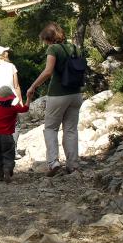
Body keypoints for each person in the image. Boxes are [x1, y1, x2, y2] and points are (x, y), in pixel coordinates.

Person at [26, 22, 83, 177]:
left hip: (58, 94)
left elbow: (48, 71)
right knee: (71, 130)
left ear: (48, 38)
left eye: (45, 40)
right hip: (76, 94)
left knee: (50, 128)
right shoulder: (74, 48)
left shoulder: (53, 49)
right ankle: (73, 165)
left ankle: (53, 162)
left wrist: (33, 86)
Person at [0, 46, 24, 158]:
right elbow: (16, 85)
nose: (8, 52)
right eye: (6, 51)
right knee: (15, 124)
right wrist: (21, 100)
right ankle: (13, 150)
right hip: (11, 101)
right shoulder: (11, 67)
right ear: (4, 54)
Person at [0, 86, 29, 183]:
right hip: (7, 137)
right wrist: (29, 98)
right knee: (8, 155)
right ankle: (7, 169)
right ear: (11, 99)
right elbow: (25, 109)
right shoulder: (13, 109)